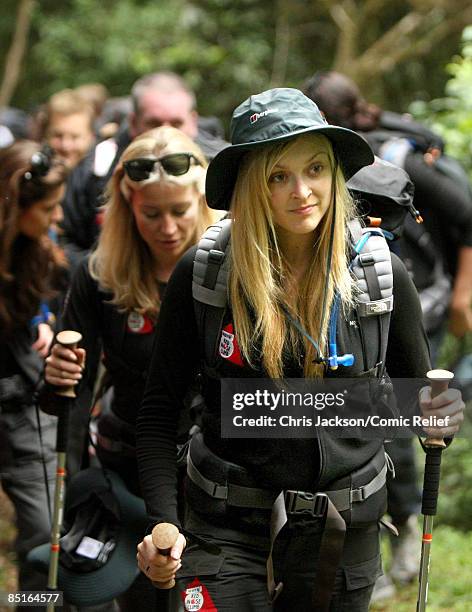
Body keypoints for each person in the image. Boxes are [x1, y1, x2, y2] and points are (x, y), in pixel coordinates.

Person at [135, 88, 464, 611]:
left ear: (335, 173)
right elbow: (157, 415)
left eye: (314, 168)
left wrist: (436, 413)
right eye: (277, 176)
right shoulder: (204, 274)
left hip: (342, 531)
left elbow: (410, 403)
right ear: (250, 186)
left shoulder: (380, 275)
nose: (302, 191)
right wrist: (161, 522)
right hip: (224, 529)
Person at [303, 70, 472, 598]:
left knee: (396, 420)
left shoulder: (393, 156)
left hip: (418, 305)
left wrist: (466, 294)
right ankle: (352, 545)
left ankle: (395, 540)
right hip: (350, 308)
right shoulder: (316, 170)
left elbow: (467, 215)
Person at [41, 126, 219, 610]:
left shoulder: (228, 270)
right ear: (127, 208)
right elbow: (68, 397)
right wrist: (75, 485)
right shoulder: (99, 277)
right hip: (131, 472)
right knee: (147, 597)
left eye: (180, 211)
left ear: (203, 204)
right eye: (151, 214)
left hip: (219, 474)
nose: (167, 228)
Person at [62, 71, 227, 271]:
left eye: (176, 123)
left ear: (193, 121)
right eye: (154, 123)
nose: (165, 132)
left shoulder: (225, 166)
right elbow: (66, 238)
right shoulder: (98, 167)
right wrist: (106, 271)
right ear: (133, 122)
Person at [0, 141, 67, 610]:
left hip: (24, 415)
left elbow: (37, 301)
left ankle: (31, 604)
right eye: (47, 208)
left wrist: (41, 321)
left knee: (45, 534)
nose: (56, 217)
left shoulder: (40, 250)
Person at [35, 89, 96, 170]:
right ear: (45, 134)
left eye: (75, 137)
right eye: (58, 136)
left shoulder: (105, 178)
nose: (66, 146)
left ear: (91, 137)